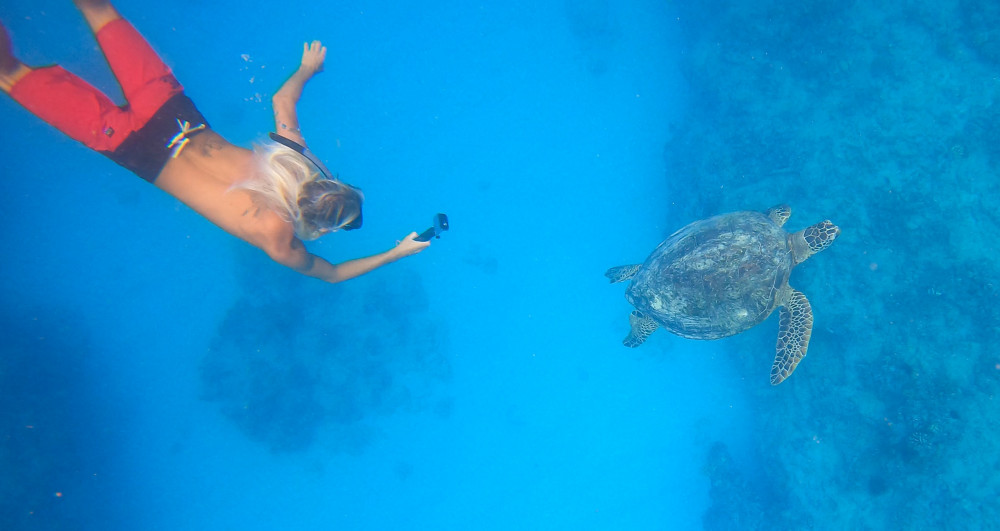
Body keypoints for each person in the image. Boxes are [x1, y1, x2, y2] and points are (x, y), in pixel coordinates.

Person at [0, 0, 430, 284]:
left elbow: (283, 97)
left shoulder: (292, 156)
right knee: (10, 73)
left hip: (171, 111)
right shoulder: (276, 235)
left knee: (99, 10)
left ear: (329, 182)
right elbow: (333, 274)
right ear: (320, 225)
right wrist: (397, 252)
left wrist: (307, 69)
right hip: (135, 149)